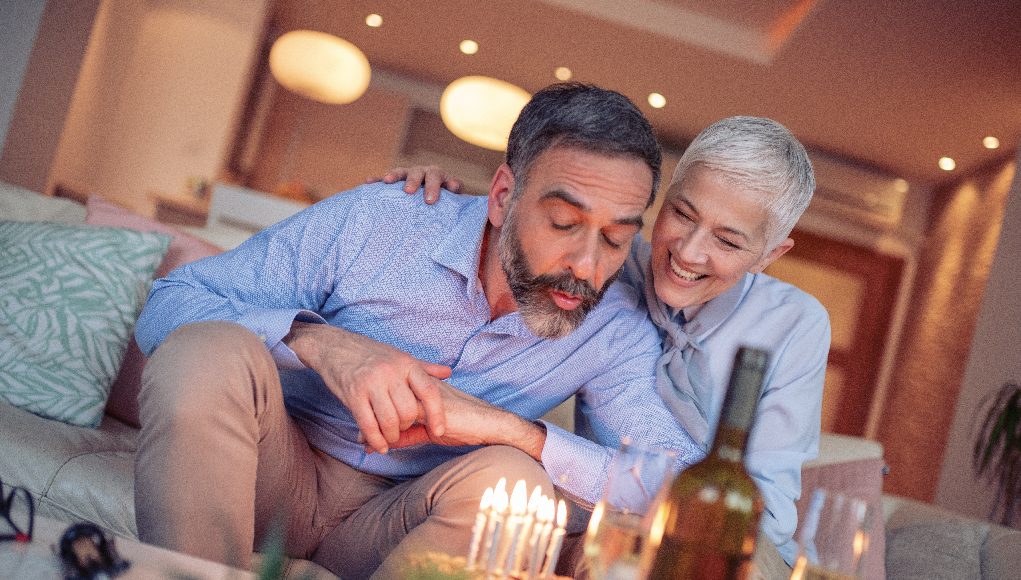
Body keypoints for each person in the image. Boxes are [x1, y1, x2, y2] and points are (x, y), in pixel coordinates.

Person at [132, 82, 702, 580]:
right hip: (270, 473)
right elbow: (172, 304)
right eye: (563, 223)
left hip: (401, 523)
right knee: (206, 351)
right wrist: (318, 343)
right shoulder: (384, 220)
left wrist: (514, 432)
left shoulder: (615, 326)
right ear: (503, 197)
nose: (587, 265)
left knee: (514, 478)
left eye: (615, 238)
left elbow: (676, 487)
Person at [377, 115, 830, 567]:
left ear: (771, 255)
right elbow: (529, 215)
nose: (688, 252)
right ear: (665, 195)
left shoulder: (795, 324)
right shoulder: (603, 259)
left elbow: (762, 516)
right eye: (682, 214)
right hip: (603, 518)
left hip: (734, 544)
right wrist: (447, 209)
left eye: (728, 242)